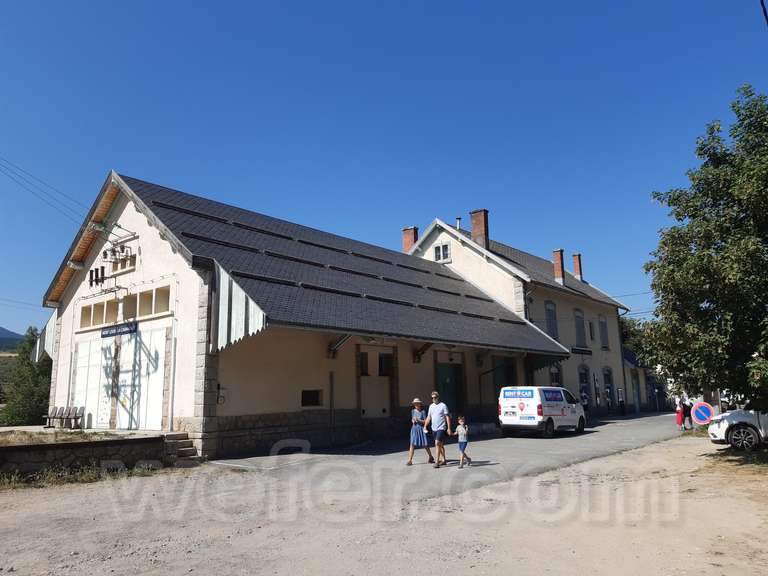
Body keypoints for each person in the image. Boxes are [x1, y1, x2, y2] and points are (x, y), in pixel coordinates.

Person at [423, 390, 451, 468]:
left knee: (437, 443)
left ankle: (437, 462)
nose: (434, 399)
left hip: (441, 428)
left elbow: (447, 417)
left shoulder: (443, 405)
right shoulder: (431, 406)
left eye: (435, 397)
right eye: (432, 398)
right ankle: (444, 460)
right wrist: (425, 426)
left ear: (438, 397)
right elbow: (429, 417)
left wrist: (449, 428)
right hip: (434, 428)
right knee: (440, 445)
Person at [406, 398, 434, 466]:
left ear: (420, 404)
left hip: (421, 429)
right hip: (414, 429)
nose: (416, 405)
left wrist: (418, 420)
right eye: (415, 404)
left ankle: (430, 456)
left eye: (417, 403)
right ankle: (410, 460)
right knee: (412, 444)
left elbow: (425, 421)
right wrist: (413, 421)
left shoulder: (423, 412)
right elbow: (412, 419)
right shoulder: (413, 411)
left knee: (425, 444)